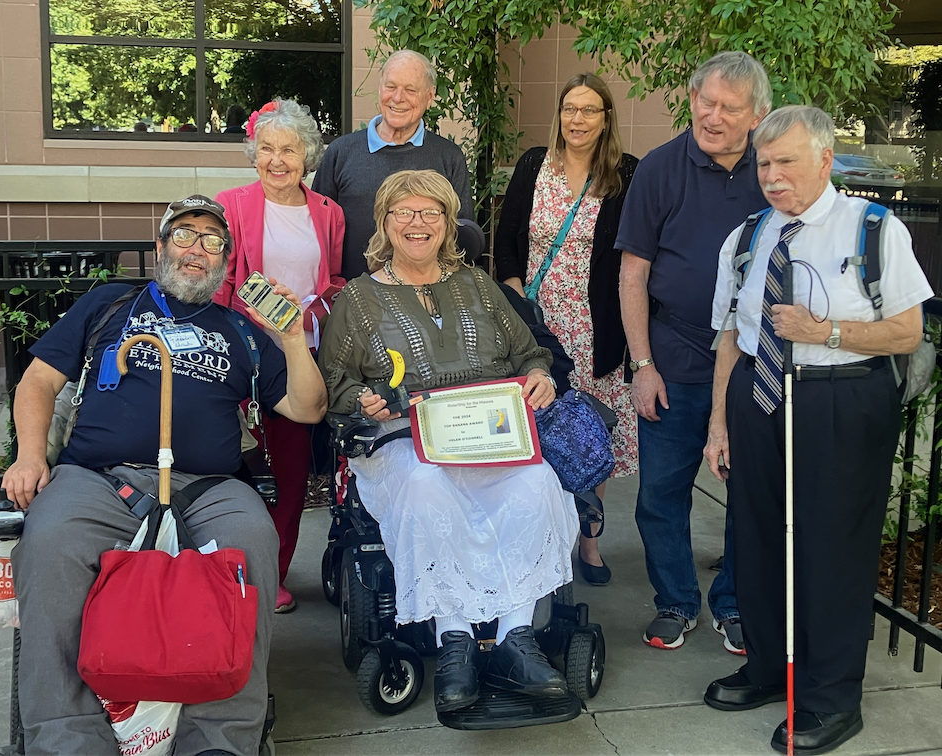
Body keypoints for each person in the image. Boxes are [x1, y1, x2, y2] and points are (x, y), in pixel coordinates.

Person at [3, 194, 328, 754]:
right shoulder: (110, 304)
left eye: (212, 240)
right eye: (184, 235)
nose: (196, 249)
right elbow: (37, 382)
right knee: (50, 542)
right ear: (159, 247)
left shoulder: (241, 330)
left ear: (226, 260)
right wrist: (31, 455)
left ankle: (220, 740)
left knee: (252, 541)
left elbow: (308, 407)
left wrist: (293, 339)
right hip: (99, 476)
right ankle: (64, 738)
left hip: (209, 487)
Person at [703, 106, 933, 754]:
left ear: (825, 160)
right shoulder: (748, 235)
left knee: (832, 549)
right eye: (764, 164)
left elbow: (909, 332)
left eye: (786, 163)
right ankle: (771, 669)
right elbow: (729, 336)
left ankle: (833, 698)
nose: (772, 177)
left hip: (841, 396)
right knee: (756, 536)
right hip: (759, 394)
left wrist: (824, 331)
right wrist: (719, 423)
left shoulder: (872, 229)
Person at [318, 169, 580, 713]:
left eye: (431, 212)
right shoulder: (359, 300)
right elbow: (334, 383)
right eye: (405, 213)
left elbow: (530, 353)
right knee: (427, 484)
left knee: (537, 483)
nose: (419, 224)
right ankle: (455, 640)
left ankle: (514, 638)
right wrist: (362, 399)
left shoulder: (478, 286)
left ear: (448, 223)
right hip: (404, 442)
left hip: (489, 438)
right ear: (385, 224)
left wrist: (541, 377)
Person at [616, 51, 771, 654]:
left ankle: (734, 602)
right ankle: (676, 601)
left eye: (730, 107)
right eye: (705, 101)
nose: (714, 115)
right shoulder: (658, 169)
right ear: (690, 99)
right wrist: (642, 365)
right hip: (674, 354)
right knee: (660, 492)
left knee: (751, 492)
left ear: (756, 114)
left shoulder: (773, 166)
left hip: (758, 360)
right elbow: (633, 275)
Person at [495, 72, 638, 587]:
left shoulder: (626, 174)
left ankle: (589, 541)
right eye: (569, 109)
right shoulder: (535, 164)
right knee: (532, 430)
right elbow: (506, 239)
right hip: (534, 325)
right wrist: (516, 307)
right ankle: (537, 539)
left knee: (589, 434)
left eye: (589, 110)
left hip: (596, 327)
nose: (577, 119)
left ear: (605, 120)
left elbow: (632, 259)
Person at [214, 97, 345, 614]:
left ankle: (276, 573)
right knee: (239, 470)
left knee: (290, 474)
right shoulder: (230, 204)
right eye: (266, 148)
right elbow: (219, 283)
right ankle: (231, 570)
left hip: (304, 358)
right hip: (245, 355)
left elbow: (332, 282)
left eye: (288, 149)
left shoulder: (327, 213)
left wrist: (313, 315)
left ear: (306, 154)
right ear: (253, 153)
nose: (277, 160)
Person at [312, 49, 474, 281]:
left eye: (410, 90)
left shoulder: (448, 157)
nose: (397, 98)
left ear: (429, 96)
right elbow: (318, 231)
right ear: (379, 89)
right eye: (391, 86)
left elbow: (462, 236)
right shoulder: (341, 152)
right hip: (350, 296)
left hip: (426, 301)